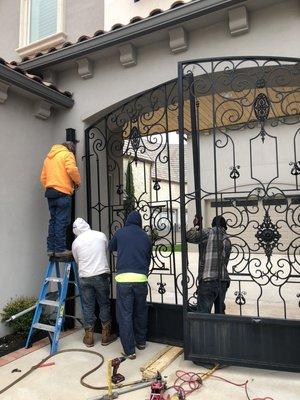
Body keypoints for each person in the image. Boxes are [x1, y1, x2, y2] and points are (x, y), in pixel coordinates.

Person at [108, 211, 152, 359]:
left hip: (124, 279)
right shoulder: (145, 237)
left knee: (125, 314)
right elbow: (148, 256)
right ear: (139, 222)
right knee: (140, 311)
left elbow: (110, 247)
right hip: (140, 279)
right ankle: (141, 342)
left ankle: (129, 351)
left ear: (127, 220)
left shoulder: (120, 233)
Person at [72, 218, 117, 347]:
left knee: (88, 306)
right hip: (101, 275)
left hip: (85, 277)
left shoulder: (76, 243)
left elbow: (77, 260)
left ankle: (89, 337)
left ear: (76, 231)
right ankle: (105, 336)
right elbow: (106, 249)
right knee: (104, 304)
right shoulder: (100, 235)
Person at [40, 142, 81, 258]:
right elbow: (72, 170)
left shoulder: (48, 158)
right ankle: (59, 249)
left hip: (50, 192)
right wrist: (77, 182)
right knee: (61, 221)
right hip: (63, 192)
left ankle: (51, 248)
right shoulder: (67, 154)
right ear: (70, 149)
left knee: (53, 221)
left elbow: (43, 178)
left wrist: (51, 185)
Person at [186, 215, 231, 314]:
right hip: (223, 281)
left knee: (203, 314)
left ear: (213, 224)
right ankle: (220, 329)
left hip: (209, 280)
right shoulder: (227, 240)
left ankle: (203, 330)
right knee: (219, 314)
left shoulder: (209, 232)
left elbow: (189, 236)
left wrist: (196, 226)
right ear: (224, 226)